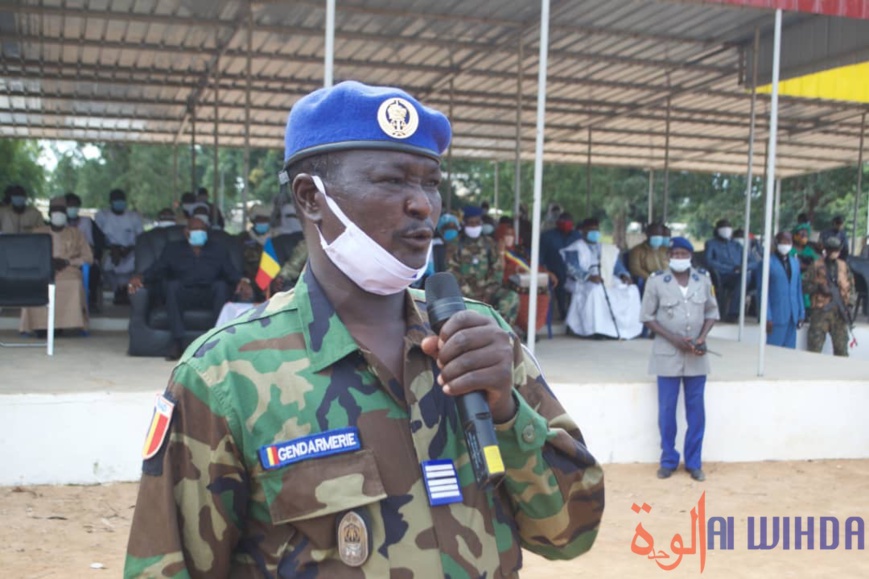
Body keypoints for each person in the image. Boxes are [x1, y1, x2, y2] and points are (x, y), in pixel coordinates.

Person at [124, 80, 603, 578]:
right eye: (392, 180)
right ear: (311, 198)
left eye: (432, 183)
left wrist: (506, 411)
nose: (423, 205)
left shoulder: (479, 336)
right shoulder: (223, 377)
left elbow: (571, 533)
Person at [641, 237, 719, 482]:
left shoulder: (703, 279)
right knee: (666, 411)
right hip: (667, 354)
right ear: (668, 257)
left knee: (696, 412)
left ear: (691, 256)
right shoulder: (656, 281)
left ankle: (694, 462)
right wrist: (672, 338)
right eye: (675, 253)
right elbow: (647, 316)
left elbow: (712, 312)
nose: (679, 257)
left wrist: (702, 337)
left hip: (696, 356)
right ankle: (668, 460)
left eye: (684, 253)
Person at [127, 211, 248, 361]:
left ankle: (217, 342)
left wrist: (243, 281)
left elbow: (231, 272)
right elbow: (157, 269)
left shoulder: (218, 249)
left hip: (209, 293)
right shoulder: (173, 249)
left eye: (203, 231)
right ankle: (178, 342)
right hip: (183, 293)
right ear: (186, 233)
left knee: (221, 286)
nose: (200, 234)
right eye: (196, 231)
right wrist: (141, 277)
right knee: (172, 286)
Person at [19, 196, 93, 335]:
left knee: (73, 283)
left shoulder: (76, 233)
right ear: (49, 214)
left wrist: (67, 262)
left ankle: (63, 325)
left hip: (68, 270)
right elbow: (29, 256)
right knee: (33, 285)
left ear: (66, 214)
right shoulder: (38, 232)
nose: (58, 214)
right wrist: (46, 262)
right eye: (55, 211)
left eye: (61, 211)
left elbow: (88, 258)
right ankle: (39, 325)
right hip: (42, 271)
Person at [560, 218, 642, 339]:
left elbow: (616, 266)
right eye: (590, 230)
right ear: (582, 231)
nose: (594, 232)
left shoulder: (606, 248)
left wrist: (624, 275)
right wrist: (588, 276)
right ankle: (596, 329)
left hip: (606, 278)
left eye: (596, 230)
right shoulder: (575, 248)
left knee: (631, 290)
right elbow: (572, 268)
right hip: (582, 281)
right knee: (596, 291)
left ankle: (623, 329)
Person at [447, 205, 520, 327]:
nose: (474, 226)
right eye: (471, 223)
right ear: (464, 224)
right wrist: (469, 294)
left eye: (477, 223)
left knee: (512, 297)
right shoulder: (455, 244)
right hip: (463, 294)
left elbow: (497, 269)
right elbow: (451, 271)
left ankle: (500, 328)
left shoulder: (489, 243)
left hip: (487, 292)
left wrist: (487, 292)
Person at [803, 236, 855, 357]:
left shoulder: (844, 266)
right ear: (826, 250)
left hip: (839, 313)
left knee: (841, 352)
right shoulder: (816, 266)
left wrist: (850, 305)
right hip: (820, 312)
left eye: (836, 250)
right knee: (814, 350)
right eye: (830, 250)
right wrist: (818, 288)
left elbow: (851, 287)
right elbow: (804, 286)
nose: (833, 253)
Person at [95, 188, 143, 304]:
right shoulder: (102, 216)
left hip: (130, 251)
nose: (119, 202)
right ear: (111, 202)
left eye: (121, 200)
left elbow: (141, 238)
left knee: (138, 263)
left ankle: (127, 290)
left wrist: (127, 250)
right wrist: (113, 248)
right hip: (110, 251)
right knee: (104, 265)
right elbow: (98, 237)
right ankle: (117, 290)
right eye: (116, 200)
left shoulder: (134, 217)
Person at [705, 218, 754, 321]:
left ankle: (759, 312)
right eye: (723, 227)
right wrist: (731, 269)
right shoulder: (711, 243)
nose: (726, 230)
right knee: (745, 277)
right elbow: (709, 261)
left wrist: (744, 267)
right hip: (722, 276)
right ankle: (733, 312)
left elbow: (752, 261)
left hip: (740, 274)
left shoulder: (736, 245)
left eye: (728, 227)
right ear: (717, 230)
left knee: (755, 275)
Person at [65, 192, 105, 311]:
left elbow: (99, 242)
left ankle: (91, 300)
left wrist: (94, 254)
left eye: (75, 205)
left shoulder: (88, 222)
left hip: (85, 257)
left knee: (94, 270)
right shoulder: (59, 224)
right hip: (66, 259)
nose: (72, 208)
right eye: (69, 205)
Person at [765, 231, 805, 348]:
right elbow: (763, 293)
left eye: (788, 242)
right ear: (776, 243)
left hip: (793, 316)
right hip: (776, 316)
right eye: (782, 242)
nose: (785, 245)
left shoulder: (794, 262)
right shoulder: (768, 262)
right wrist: (767, 317)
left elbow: (798, 289)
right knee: (773, 351)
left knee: (789, 352)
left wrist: (801, 313)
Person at [540, 211, 582, 320]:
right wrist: (544, 270)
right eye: (563, 221)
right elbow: (540, 256)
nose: (566, 223)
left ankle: (576, 315)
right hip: (554, 270)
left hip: (575, 271)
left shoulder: (577, 236)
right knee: (559, 281)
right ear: (557, 222)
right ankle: (563, 312)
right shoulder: (547, 237)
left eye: (568, 221)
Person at [235, 204, 273, 302]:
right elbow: (239, 263)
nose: (263, 222)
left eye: (266, 219)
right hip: (249, 280)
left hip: (271, 280)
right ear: (253, 221)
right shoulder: (242, 238)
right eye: (260, 219)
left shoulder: (275, 238)